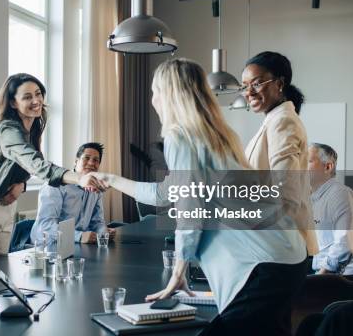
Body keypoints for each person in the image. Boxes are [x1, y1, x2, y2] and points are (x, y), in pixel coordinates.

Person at [93, 58, 308, 335]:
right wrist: (110, 180)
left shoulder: (179, 136)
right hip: (287, 257)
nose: (153, 99)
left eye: (155, 91)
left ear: (169, 94)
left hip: (263, 265)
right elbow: (166, 193)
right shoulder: (217, 135)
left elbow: (189, 210)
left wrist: (178, 270)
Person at [0, 73, 105, 263]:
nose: (36, 100)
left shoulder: (31, 130)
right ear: (13, 103)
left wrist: (21, 184)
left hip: (7, 208)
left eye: (38, 94)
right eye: (27, 97)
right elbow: (35, 163)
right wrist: (79, 178)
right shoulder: (8, 130)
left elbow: (19, 167)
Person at [241, 51, 318, 255]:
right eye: (244, 86)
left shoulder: (282, 121)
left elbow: (285, 196)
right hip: (275, 245)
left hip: (280, 249)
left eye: (256, 83)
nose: (249, 92)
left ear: (280, 84)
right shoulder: (274, 120)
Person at [30, 142, 116, 245]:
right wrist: (79, 236)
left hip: (75, 244)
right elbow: (46, 226)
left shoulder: (96, 188)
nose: (91, 163)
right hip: (47, 245)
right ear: (76, 161)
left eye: (96, 160)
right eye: (86, 158)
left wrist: (103, 232)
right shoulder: (55, 184)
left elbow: (97, 221)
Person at [308, 143, 353, 275]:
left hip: (347, 277)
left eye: (307, 161)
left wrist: (319, 279)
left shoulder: (339, 194)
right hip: (327, 273)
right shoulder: (316, 198)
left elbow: (346, 245)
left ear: (327, 167)